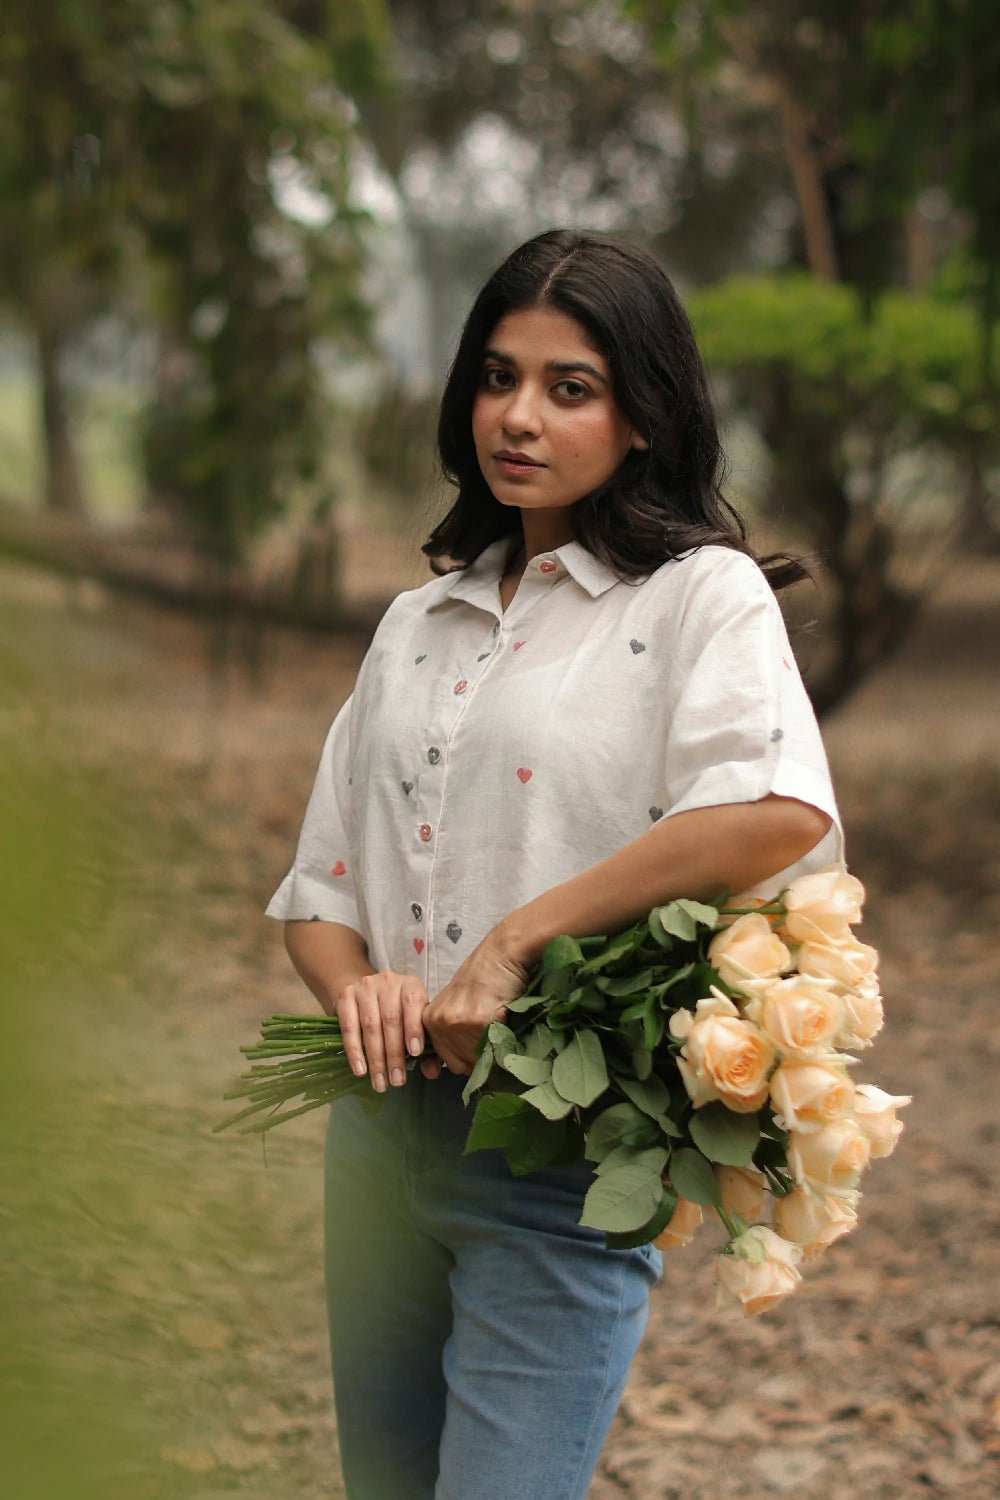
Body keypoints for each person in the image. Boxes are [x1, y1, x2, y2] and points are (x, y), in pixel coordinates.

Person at [266, 228, 842, 1500]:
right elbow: (319, 890)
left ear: (641, 414)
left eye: (567, 388)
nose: (516, 417)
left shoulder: (695, 599)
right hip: (376, 1143)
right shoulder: (418, 624)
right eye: (495, 376)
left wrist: (514, 940)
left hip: (551, 1152)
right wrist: (351, 985)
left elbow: (769, 806)